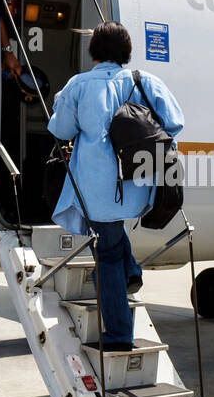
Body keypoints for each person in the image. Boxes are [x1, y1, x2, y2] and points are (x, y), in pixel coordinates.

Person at [47, 21, 183, 350]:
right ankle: (132, 268)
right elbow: (175, 123)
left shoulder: (78, 85)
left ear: (93, 50)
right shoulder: (146, 80)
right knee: (113, 237)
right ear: (126, 50)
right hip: (139, 182)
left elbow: (61, 130)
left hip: (97, 189)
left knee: (106, 256)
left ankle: (119, 335)